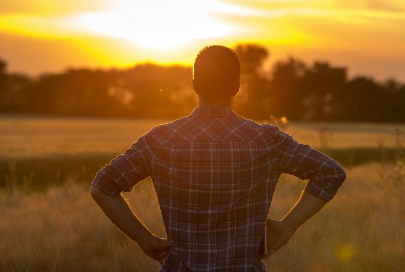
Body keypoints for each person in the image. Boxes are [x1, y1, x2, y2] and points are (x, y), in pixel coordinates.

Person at [90, 45, 346, 271]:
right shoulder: (267, 141)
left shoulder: (160, 141)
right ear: (237, 86)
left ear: (194, 85)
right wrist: (288, 226)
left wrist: (144, 239)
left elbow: (103, 187)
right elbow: (331, 173)